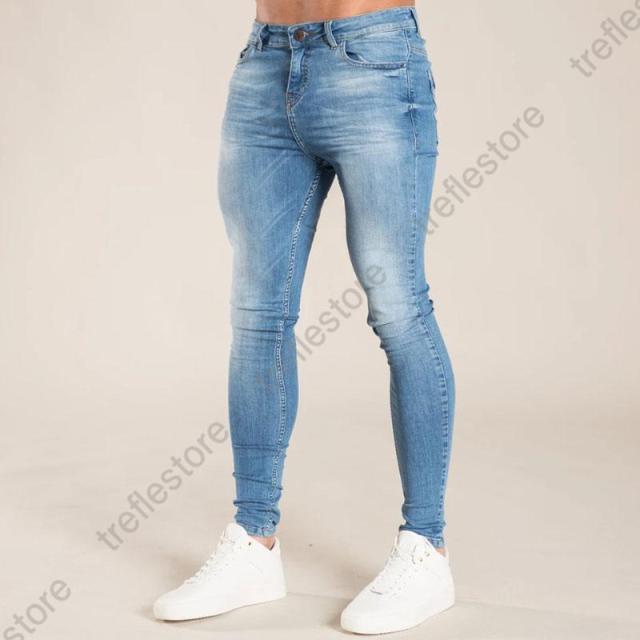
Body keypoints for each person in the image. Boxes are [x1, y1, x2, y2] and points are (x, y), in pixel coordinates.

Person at [153, 1, 455, 634]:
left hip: (372, 57)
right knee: (256, 315)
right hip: (264, 62)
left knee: (398, 306)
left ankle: (426, 548)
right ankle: (253, 542)